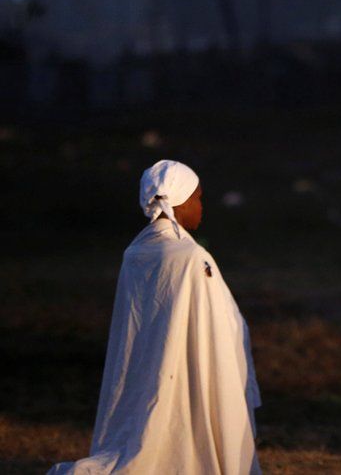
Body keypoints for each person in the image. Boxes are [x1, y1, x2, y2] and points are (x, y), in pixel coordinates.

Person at [49, 160, 261, 475]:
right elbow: (218, 322)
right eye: (198, 198)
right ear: (180, 200)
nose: (201, 206)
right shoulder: (190, 257)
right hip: (189, 366)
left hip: (143, 371)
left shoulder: (135, 252)